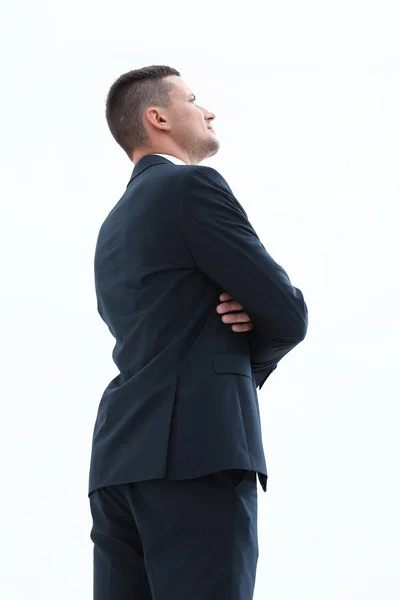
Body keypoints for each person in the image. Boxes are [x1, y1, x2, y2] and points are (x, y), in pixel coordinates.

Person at [88, 65, 308, 600]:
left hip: (118, 460)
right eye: (193, 98)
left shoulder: (111, 226)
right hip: (197, 451)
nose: (207, 110)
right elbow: (288, 313)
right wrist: (243, 346)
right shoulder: (192, 187)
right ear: (157, 117)